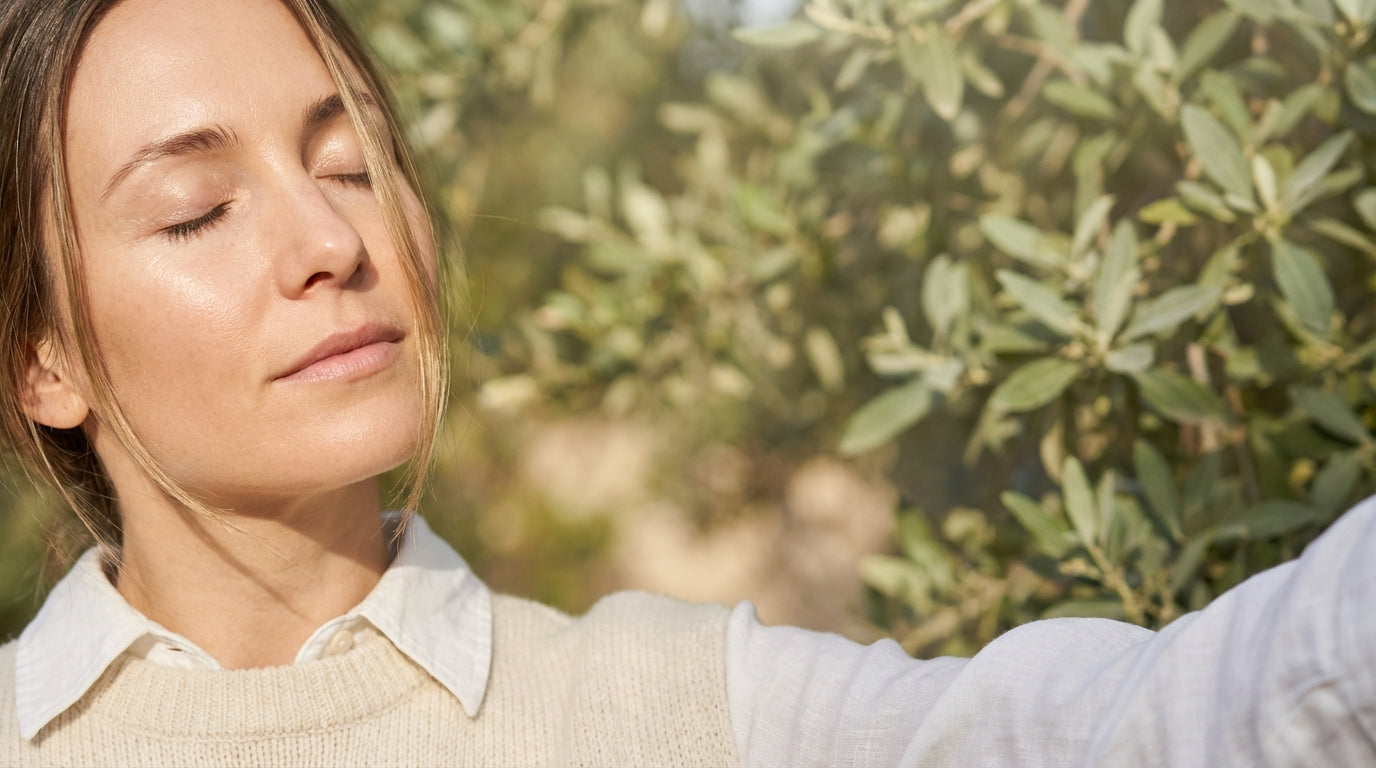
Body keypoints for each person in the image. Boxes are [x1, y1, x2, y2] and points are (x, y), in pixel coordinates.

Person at [1, 0, 1374, 765]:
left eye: (350, 162)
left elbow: (1153, 727)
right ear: (39, 357)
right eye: (195, 208)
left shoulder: (672, 713)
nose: (331, 242)